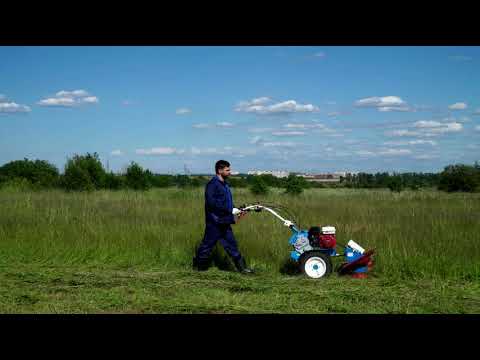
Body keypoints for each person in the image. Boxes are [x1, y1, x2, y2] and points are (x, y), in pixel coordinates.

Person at [193, 160, 254, 274]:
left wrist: (236, 209)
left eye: (229, 169)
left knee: (232, 245)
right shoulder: (213, 185)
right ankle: (198, 270)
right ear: (220, 170)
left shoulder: (225, 184)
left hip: (224, 222)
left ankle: (243, 269)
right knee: (207, 246)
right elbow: (212, 203)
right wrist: (229, 210)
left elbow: (227, 203)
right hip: (215, 223)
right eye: (227, 170)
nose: (229, 172)